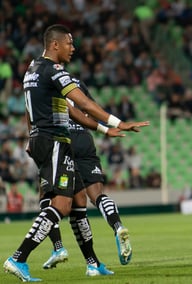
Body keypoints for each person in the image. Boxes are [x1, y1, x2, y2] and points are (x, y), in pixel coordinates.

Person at [3, 24, 148, 282]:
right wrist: (118, 122)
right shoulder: (54, 70)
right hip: (54, 141)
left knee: (80, 199)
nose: (73, 48)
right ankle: (19, 258)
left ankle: (93, 263)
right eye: (69, 43)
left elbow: (66, 111)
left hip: (44, 139)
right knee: (61, 203)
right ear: (55, 44)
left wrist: (103, 130)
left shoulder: (32, 70)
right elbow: (83, 103)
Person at [41, 78, 137, 274]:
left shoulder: (48, 79)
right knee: (96, 196)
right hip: (85, 138)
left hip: (61, 139)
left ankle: (58, 246)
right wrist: (108, 127)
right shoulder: (78, 84)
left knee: (49, 196)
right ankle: (117, 227)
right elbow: (90, 108)